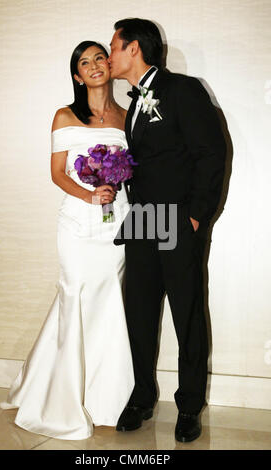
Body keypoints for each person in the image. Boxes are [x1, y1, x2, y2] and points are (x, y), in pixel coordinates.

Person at [0, 41, 134, 440]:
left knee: (109, 299)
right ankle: (58, 397)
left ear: (109, 66)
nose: (93, 65)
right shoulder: (64, 116)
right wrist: (90, 194)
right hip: (78, 222)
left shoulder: (127, 118)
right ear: (77, 75)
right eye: (84, 62)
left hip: (117, 222)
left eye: (99, 58)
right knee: (74, 295)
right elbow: (58, 173)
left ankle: (105, 398)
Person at [109, 18, 226, 442]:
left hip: (177, 219)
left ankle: (190, 405)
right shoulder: (134, 103)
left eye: (114, 47)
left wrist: (194, 217)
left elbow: (211, 154)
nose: (110, 55)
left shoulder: (183, 90)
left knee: (187, 315)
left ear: (134, 49)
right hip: (141, 218)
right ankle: (142, 397)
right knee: (138, 312)